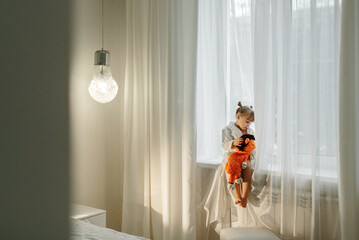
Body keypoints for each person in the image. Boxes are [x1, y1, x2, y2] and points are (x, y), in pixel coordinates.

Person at [222, 101, 255, 208]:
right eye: (246, 122)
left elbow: (253, 145)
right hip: (234, 156)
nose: (248, 125)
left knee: (248, 168)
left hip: (245, 157)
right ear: (238, 116)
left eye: (250, 123)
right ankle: (237, 196)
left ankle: (244, 196)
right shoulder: (227, 129)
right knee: (234, 170)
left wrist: (251, 154)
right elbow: (224, 145)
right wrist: (233, 143)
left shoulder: (250, 131)